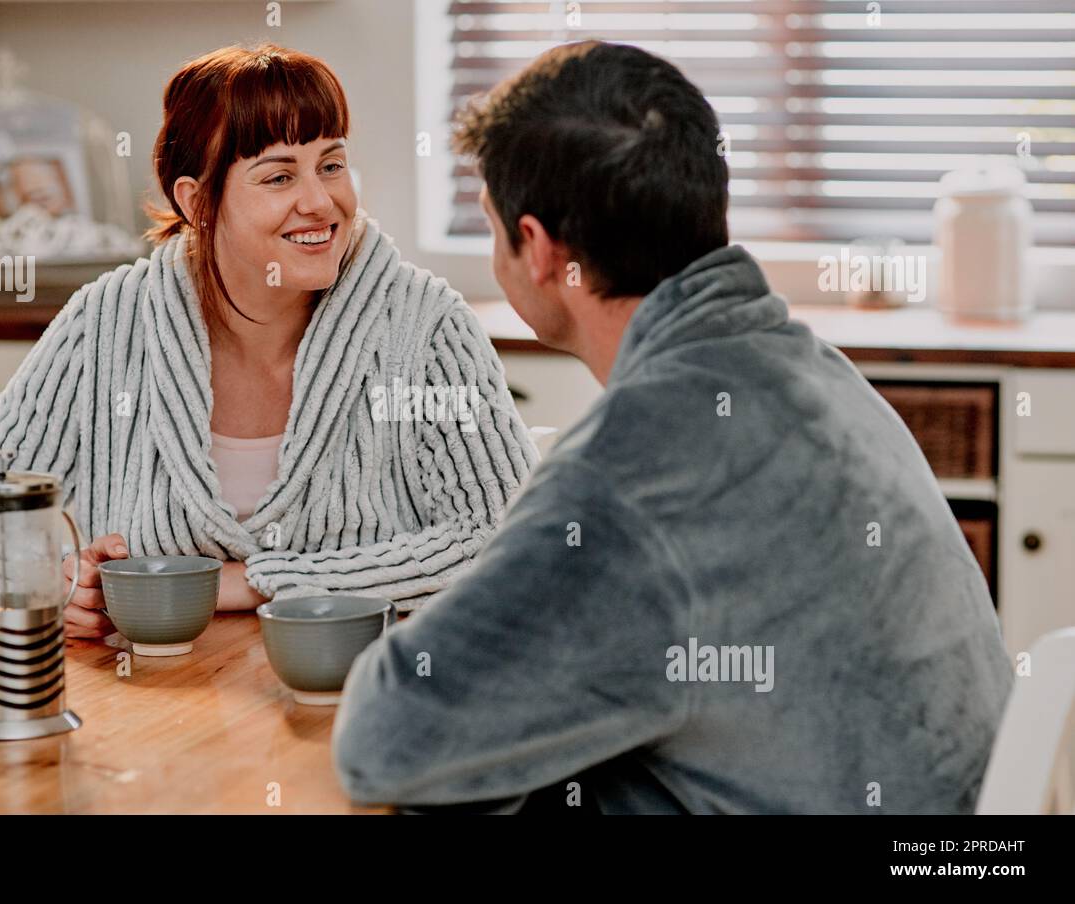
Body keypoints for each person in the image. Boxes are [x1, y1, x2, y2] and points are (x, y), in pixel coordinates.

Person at [332, 41, 1013, 814]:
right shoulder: (812, 371)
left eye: (494, 229)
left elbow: (386, 741)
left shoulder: (641, 468)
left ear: (543, 250)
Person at [0, 44, 537, 633]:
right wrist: (55, 585)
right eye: (280, 176)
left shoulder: (427, 326)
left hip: (367, 694)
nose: (319, 202)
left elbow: (506, 541)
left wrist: (246, 582)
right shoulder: (107, 322)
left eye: (331, 164)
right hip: (158, 700)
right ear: (196, 201)